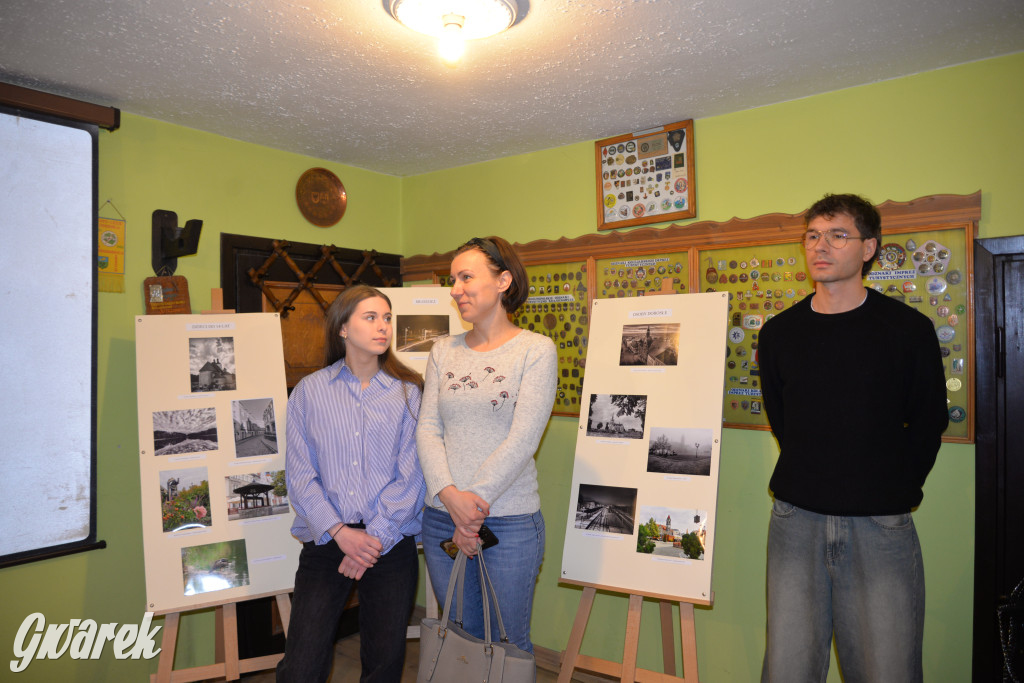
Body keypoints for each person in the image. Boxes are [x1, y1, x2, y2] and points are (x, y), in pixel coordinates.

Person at [758, 194, 949, 682]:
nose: (820, 246)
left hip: (879, 526)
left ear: (868, 248)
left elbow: (928, 421)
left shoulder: (908, 330)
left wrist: (891, 487)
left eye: (837, 235)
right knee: (787, 667)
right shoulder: (779, 333)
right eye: (813, 235)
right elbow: (782, 418)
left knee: (888, 667)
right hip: (795, 521)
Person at [277, 285, 425, 683]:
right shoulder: (309, 392)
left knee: (384, 663)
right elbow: (300, 475)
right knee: (301, 665)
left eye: (387, 318)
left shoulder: (408, 392)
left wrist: (371, 540)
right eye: (371, 317)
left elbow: (412, 476)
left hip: (390, 542)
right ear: (342, 328)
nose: (383, 326)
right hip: (328, 540)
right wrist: (341, 533)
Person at [416, 236, 557, 654]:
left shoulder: (535, 350)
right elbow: (427, 429)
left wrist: (471, 508)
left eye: (466, 277)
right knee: (462, 645)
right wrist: (451, 499)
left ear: (503, 281)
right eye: (452, 280)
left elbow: (524, 439)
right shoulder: (443, 350)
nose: (455, 289)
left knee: (509, 646)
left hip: (509, 521)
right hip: (441, 517)